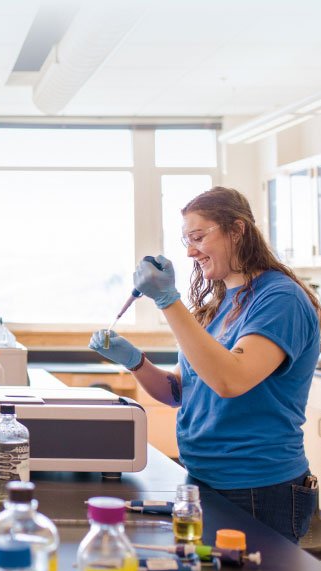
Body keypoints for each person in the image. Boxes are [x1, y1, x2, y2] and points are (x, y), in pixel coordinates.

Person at [90, 186, 319, 544]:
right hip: (203, 478)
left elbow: (231, 380)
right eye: (186, 240)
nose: (190, 251)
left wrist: (168, 301)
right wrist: (135, 361)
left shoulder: (280, 299)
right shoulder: (222, 303)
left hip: (259, 489)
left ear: (238, 230)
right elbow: (178, 391)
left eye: (198, 237)